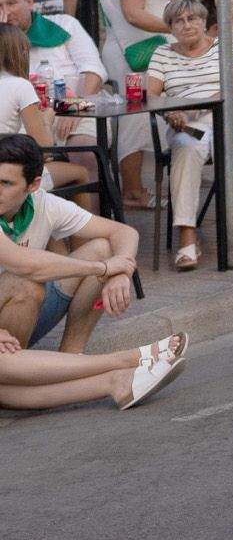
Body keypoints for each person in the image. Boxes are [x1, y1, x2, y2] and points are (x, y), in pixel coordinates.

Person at [0, 135, 186, 412]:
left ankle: (77, 361)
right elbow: (23, 263)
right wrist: (102, 269)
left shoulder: (42, 204)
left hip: (12, 329)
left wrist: (120, 271)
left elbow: (123, 232)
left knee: (101, 248)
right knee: (25, 284)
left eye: (5, 183)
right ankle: (122, 367)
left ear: (33, 184)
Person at [143, 0, 233, 268]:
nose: (186, 25)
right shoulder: (163, 54)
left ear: (205, 22)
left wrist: (197, 108)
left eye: (192, 18)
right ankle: (186, 235)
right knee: (187, 147)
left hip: (221, 119)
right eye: (178, 21)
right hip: (184, 125)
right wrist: (170, 112)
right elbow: (151, 94)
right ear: (170, 28)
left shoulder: (225, 47)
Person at [96, 0, 175, 210]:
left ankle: (133, 187)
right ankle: (132, 191)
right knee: (135, 118)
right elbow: (134, 13)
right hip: (138, 57)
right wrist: (175, 26)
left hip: (124, 52)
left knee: (134, 115)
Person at [0, 0, 105, 157]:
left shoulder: (65, 24)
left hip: (76, 107)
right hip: (24, 115)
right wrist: (4, 35)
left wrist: (70, 107)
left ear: (29, 2)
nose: (6, 12)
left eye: (11, 3)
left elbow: (93, 72)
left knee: (84, 151)